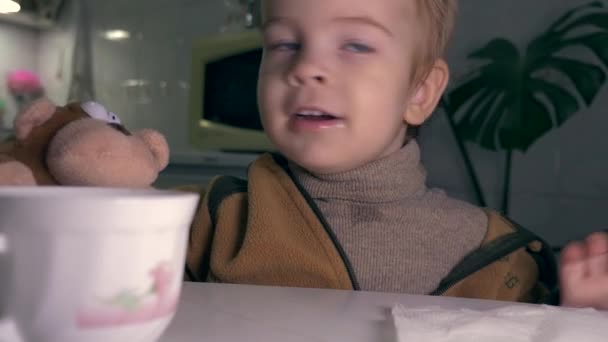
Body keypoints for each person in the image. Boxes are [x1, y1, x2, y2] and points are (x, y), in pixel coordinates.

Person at [183, 0, 608, 309]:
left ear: (420, 91)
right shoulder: (209, 221)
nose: (306, 67)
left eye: (355, 45)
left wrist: (577, 317)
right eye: (284, 44)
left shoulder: (501, 260)